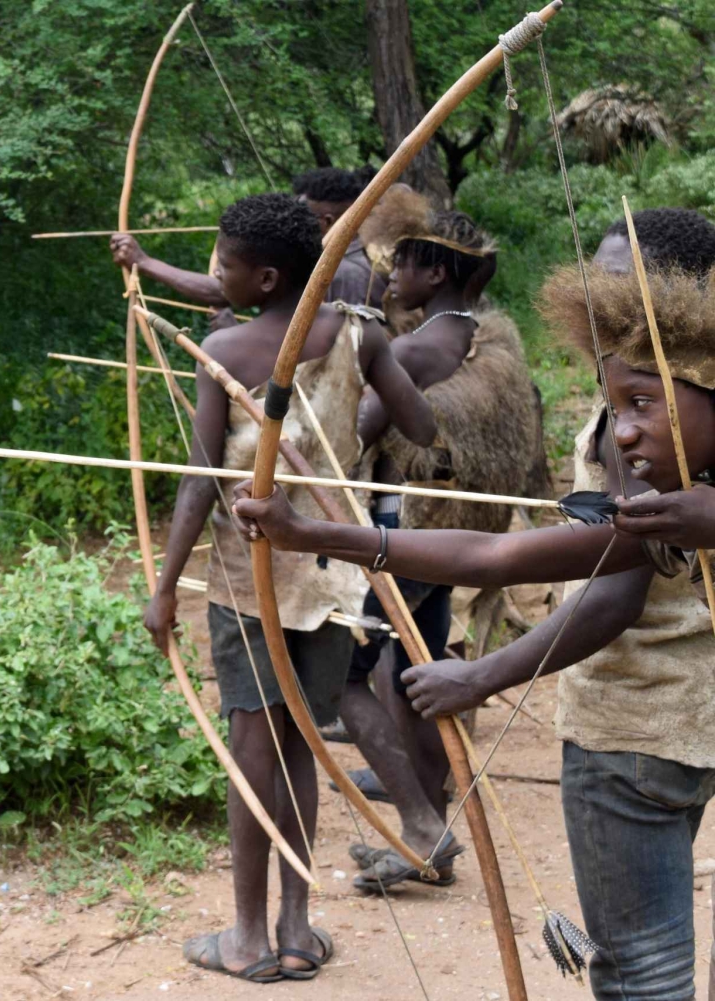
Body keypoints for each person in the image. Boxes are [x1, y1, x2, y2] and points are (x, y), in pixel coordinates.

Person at [227, 223, 715, 999]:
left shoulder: (662, 442)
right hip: (678, 729)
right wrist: (314, 530)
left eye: (622, 283)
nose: (599, 295)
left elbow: (568, 580)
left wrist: (482, 673)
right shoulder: (658, 427)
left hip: (636, 730)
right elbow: (505, 557)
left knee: (642, 971)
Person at [145, 193, 436, 982]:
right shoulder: (360, 334)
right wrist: (363, 377)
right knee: (301, 748)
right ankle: (297, 929)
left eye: (224, 263)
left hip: (253, 585)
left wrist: (165, 584)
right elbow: (421, 429)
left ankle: (247, 937)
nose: (214, 274)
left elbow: (199, 485)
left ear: (266, 276)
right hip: (332, 578)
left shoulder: (228, 353)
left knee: (251, 752)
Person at [331, 190, 541, 891]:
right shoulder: (477, 336)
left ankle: (423, 828)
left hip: (404, 538)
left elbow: (347, 436)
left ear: (439, 271)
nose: (390, 274)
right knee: (415, 678)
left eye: (405, 263)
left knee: (347, 677)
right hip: (448, 542)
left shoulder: (416, 349)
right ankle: (431, 830)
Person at [107, 167, 385, 331]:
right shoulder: (325, 261)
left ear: (328, 222)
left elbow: (341, 363)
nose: (297, 219)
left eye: (304, 213)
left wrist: (236, 333)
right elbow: (232, 288)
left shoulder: (349, 274)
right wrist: (142, 262)